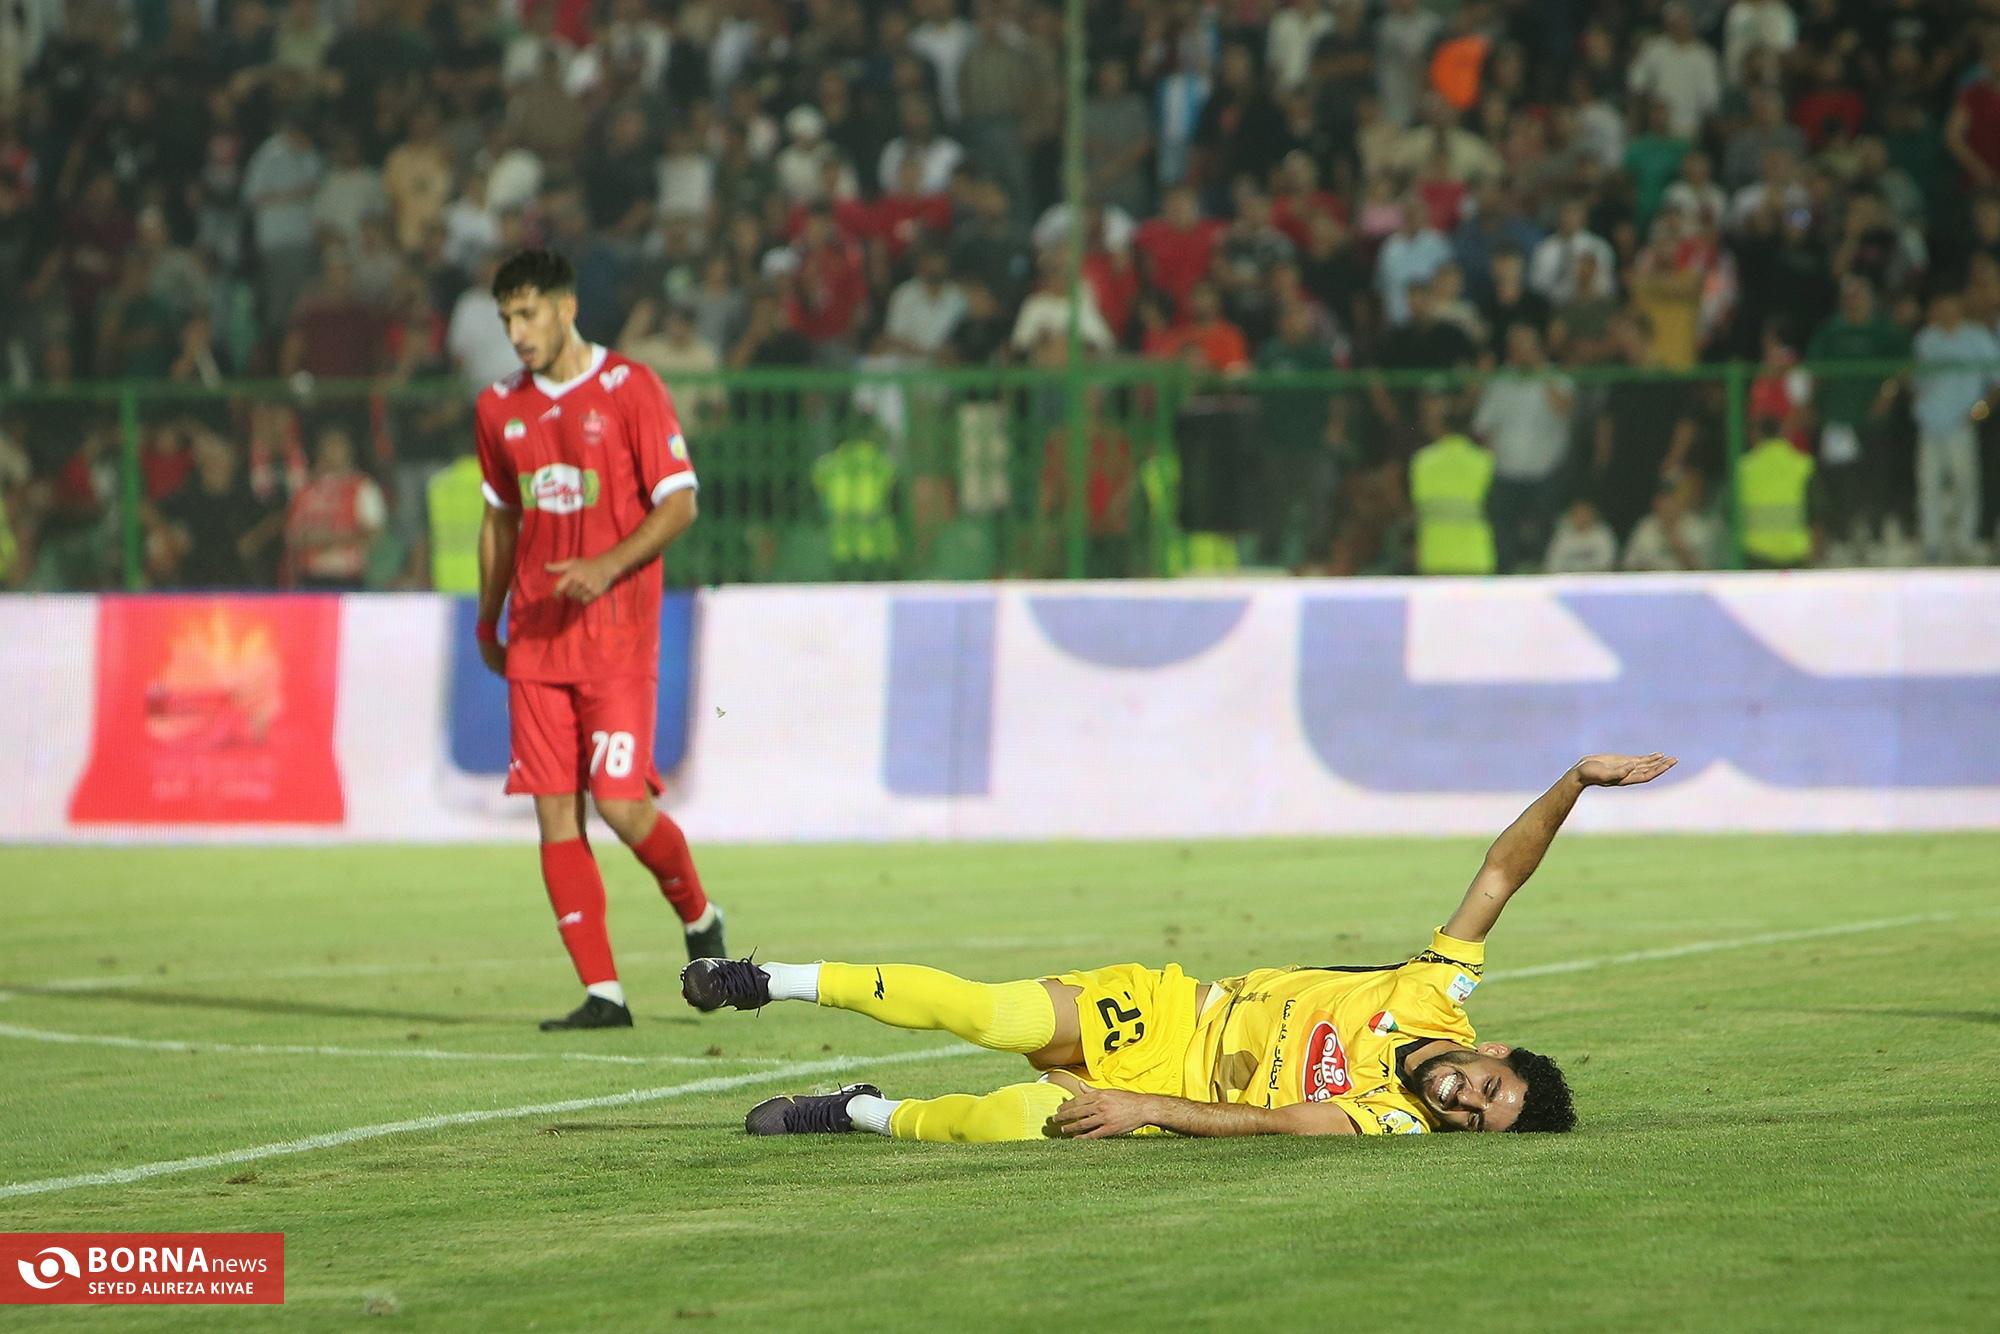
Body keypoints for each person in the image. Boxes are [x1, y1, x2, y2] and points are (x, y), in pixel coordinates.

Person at [686, 753, 1679, 1140]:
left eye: (1476, 1121)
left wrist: (1143, 1108)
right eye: (1488, 1087)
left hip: (1174, 1091)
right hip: (1172, 1012)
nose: (1463, 1101)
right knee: (988, 1012)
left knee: (1004, 1125)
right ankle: (764, 978)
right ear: (1492, 1051)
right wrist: (1572, 784)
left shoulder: (1390, 1120)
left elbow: (1278, 1123)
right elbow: (1499, 877)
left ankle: (855, 1109)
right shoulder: (1434, 994)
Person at [472, 248, 726, 1032]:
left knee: (620, 804)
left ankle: (699, 914)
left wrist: (606, 566)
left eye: (528, 314)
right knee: (555, 814)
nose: (517, 332)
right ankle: (604, 994)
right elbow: (499, 520)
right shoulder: (498, 408)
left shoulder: (630, 387)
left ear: (566, 307)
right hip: (537, 643)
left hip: (616, 640)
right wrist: (488, 617)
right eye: (506, 319)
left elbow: (679, 504)